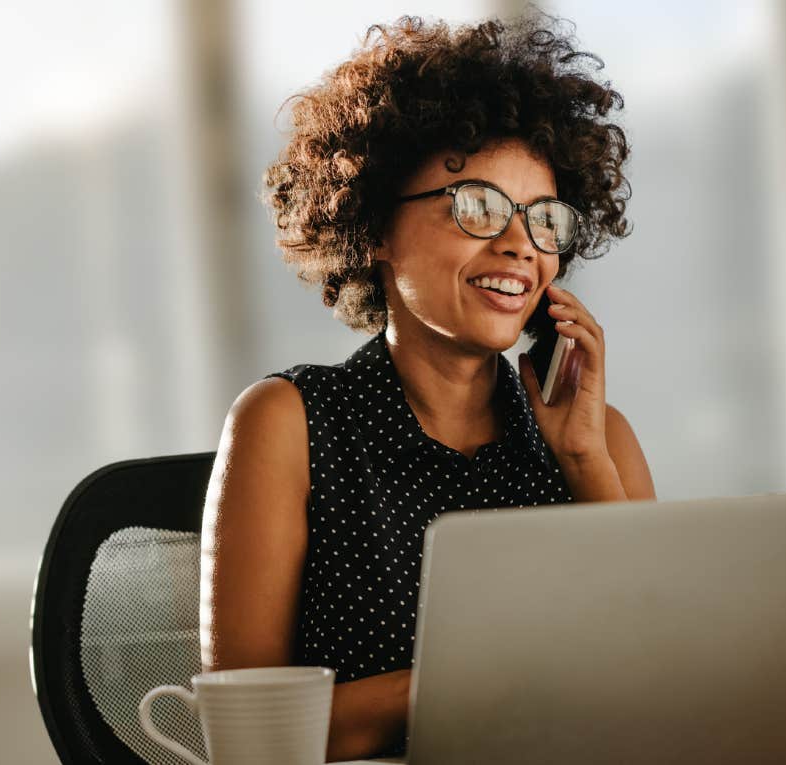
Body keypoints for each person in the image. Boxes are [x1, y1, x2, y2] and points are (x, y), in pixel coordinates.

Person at [199, 11, 655, 761]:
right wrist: (483, 678)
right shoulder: (288, 423)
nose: (519, 244)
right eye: (477, 206)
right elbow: (248, 734)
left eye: (546, 219)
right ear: (374, 225)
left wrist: (584, 465)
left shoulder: (597, 438)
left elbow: (669, 688)